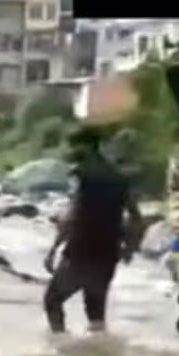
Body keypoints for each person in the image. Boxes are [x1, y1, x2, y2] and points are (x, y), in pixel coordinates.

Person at [43, 127, 142, 333]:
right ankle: (99, 354)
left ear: (87, 146)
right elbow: (137, 219)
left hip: (80, 250)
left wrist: (53, 249)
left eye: (74, 145)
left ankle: (61, 348)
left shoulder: (82, 175)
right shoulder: (119, 178)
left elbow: (72, 215)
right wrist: (130, 248)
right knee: (96, 311)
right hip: (107, 254)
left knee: (52, 301)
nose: (71, 151)